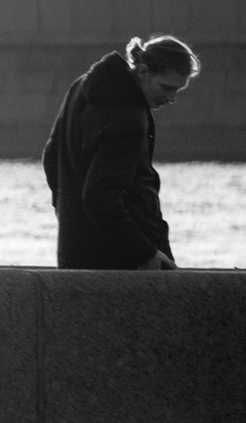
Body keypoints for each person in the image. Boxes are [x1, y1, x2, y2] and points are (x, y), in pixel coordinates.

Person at [42, 34, 198, 270]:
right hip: (121, 258)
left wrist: (67, 213)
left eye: (177, 90)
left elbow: (51, 156)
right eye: (166, 87)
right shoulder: (127, 118)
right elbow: (100, 197)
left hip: (75, 249)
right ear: (143, 71)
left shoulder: (81, 87)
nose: (171, 98)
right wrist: (144, 253)